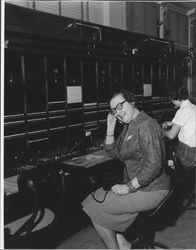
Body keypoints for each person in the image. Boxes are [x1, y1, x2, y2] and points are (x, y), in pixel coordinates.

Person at [82, 89, 170, 249]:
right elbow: (113, 152)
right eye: (114, 110)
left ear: (132, 102)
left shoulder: (144, 125)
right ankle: (124, 245)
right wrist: (110, 128)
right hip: (142, 186)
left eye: (120, 106)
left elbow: (154, 165)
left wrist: (128, 188)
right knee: (93, 198)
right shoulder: (130, 125)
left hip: (152, 190)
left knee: (94, 207)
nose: (118, 112)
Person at [162, 86, 196, 169]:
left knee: (168, 154)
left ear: (174, 97)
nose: (172, 102)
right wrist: (173, 122)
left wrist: (162, 130)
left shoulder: (182, 111)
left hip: (189, 153)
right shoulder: (193, 106)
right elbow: (189, 120)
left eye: (171, 99)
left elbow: (171, 135)